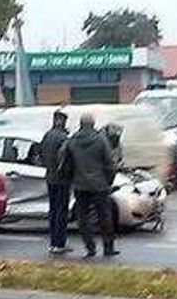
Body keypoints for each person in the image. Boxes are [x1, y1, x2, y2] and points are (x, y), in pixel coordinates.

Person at [65, 113, 119, 258]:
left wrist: (72, 179)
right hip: (100, 184)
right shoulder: (101, 140)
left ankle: (90, 247)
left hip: (80, 185)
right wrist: (108, 181)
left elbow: (67, 164)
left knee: (83, 218)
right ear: (93, 124)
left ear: (81, 124)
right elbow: (109, 163)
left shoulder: (73, 141)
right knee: (105, 216)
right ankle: (108, 247)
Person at [39, 110, 72, 255]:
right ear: (62, 121)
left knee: (53, 210)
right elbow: (67, 159)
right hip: (62, 179)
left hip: (50, 177)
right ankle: (60, 243)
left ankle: (53, 242)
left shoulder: (46, 136)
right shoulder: (63, 137)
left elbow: (39, 155)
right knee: (61, 211)